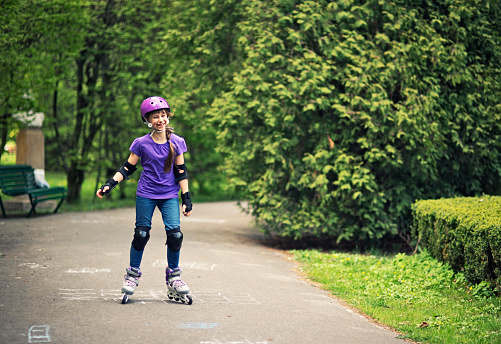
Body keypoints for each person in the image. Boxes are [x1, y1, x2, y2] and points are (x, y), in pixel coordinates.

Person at [96, 96, 193, 303]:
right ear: (148, 120)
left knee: (175, 235)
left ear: (168, 117)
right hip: (146, 193)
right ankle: (131, 277)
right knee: (141, 234)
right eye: (156, 116)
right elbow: (127, 168)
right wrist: (109, 184)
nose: (161, 119)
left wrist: (186, 197)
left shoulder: (177, 142)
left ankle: (174, 278)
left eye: (163, 115)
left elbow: (181, 171)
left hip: (168, 194)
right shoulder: (141, 143)